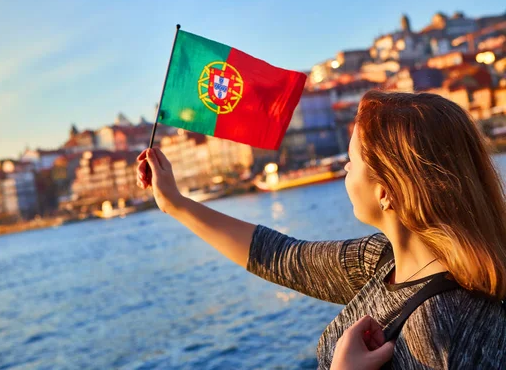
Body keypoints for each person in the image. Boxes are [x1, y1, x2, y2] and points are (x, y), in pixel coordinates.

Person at [136, 91, 506, 369]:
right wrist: (176, 204)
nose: (343, 170)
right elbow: (279, 257)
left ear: (386, 192)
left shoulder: (443, 327)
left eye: (351, 161)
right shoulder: (382, 260)